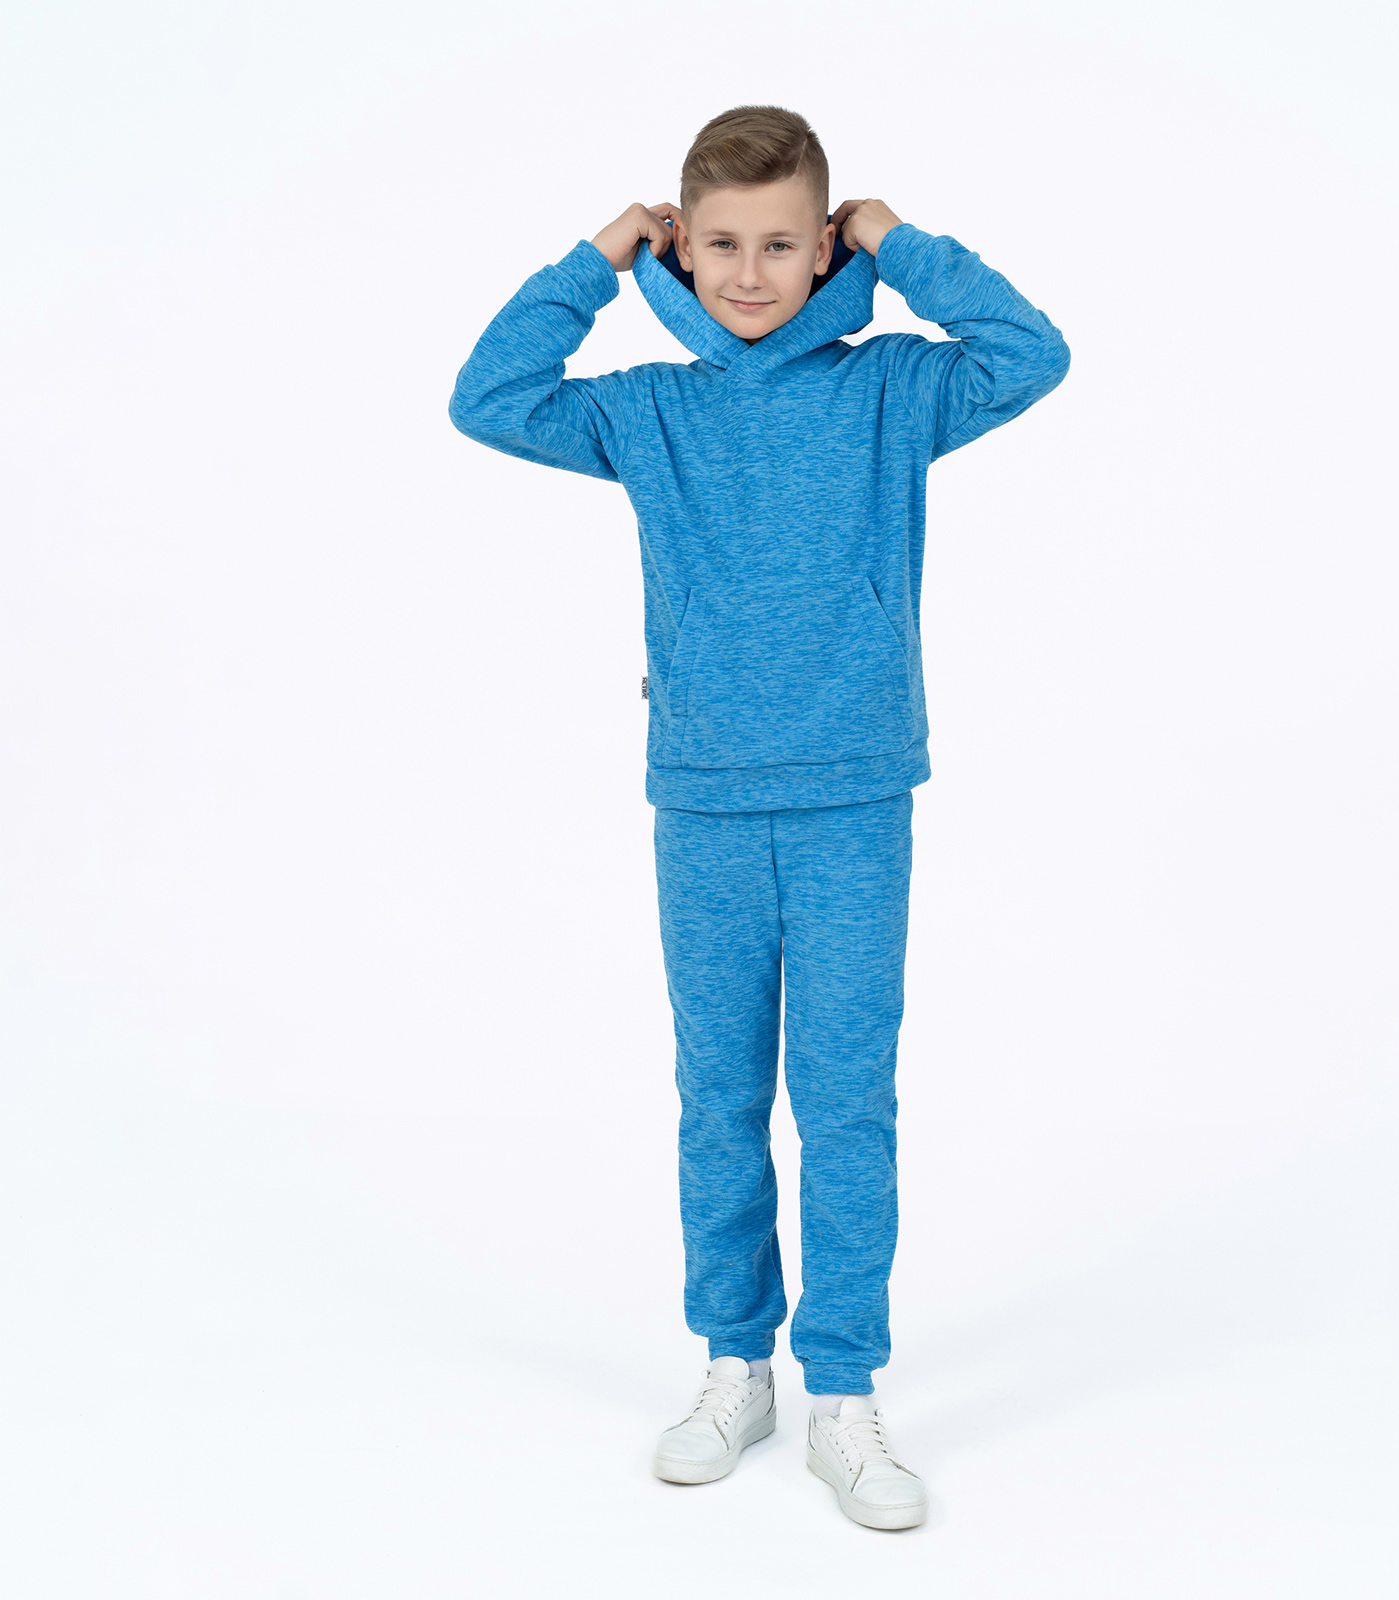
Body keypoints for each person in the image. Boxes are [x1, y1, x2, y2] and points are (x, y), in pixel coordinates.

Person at [448, 104, 1069, 1530]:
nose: (748, 272)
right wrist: (598, 258)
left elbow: (1032, 352)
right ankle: (737, 1366)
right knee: (718, 1098)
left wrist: (904, 244)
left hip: (855, 794)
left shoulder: (896, 388)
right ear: (682, 243)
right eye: (720, 243)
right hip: (708, 800)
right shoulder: (646, 409)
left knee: (846, 1100)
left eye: (783, 243)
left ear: (826, 246)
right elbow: (489, 396)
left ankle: (843, 1391)